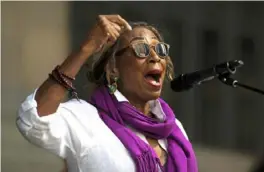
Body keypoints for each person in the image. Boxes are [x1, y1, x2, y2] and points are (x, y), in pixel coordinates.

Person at [16, 14, 198, 172]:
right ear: (113, 69)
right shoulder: (86, 118)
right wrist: (86, 48)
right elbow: (33, 119)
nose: (155, 57)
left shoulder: (174, 129)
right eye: (141, 50)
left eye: (160, 50)